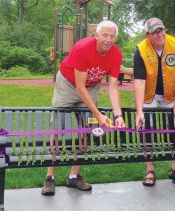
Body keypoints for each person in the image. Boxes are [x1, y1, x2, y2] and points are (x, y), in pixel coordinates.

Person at [41, 20, 125, 196]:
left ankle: (73, 176)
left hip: (92, 86)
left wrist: (118, 115)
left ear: (115, 37)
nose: (108, 39)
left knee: (85, 131)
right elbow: (80, 87)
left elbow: (113, 86)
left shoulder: (116, 55)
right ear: (97, 35)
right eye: (105, 35)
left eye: (112, 36)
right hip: (68, 83)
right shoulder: (82, 48)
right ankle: (50, 177)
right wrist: (99, 115)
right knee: (58, 129)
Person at [133, 17, 175, 186]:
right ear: (147, 35)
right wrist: (139, 110)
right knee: (146, 130)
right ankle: (150, 170)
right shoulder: (141, 49)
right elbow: (139, 81)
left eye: (162, 30)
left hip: (170, 95)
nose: (160, 34)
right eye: (155, 32)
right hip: (149, 94)